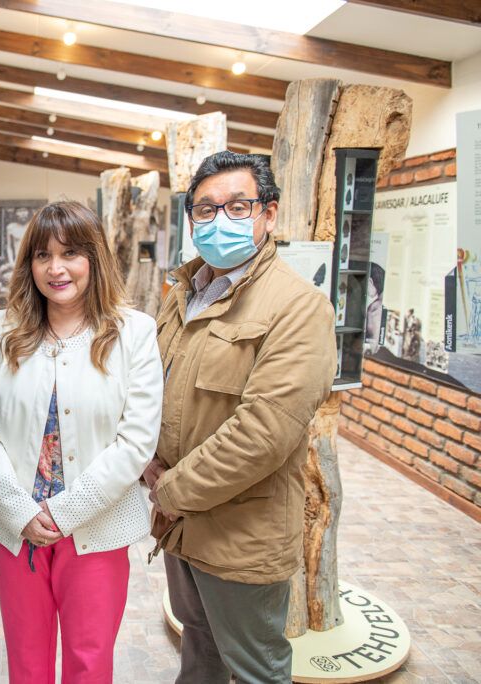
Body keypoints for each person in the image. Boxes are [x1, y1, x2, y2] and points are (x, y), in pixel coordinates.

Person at [144, 151, 336, 684]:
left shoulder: (298, 308)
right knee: (198, 645)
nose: (218, 220)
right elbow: (149, 393)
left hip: (240, 533)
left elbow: (263, 434)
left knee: (254, 667)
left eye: (236, 206)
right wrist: (146, 463)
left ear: (268, 215)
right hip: (180, 527)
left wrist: (169, 489)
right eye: (204, 210)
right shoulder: (183, 295)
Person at [0, 201, 163, 683]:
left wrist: (65, 511)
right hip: (17, 528)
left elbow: (136, 440)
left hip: (96, 526)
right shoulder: (1, 330)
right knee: (27, 662)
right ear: (28, 264)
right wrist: (22, 511)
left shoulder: (133, 333)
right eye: (42, 255)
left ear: (94, 258)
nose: (56, 268)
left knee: (89, 661)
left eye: (71, 253)